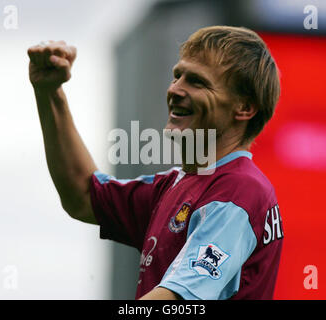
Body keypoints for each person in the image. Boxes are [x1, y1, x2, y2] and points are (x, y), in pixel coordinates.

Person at [28, 26, 284, 300]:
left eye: (196, 81)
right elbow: (82, 195)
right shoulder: (177, 185)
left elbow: (175, 300)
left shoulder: (238, 190)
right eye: (177, 75)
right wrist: (50, 92)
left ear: (244, 108)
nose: (175, 89)